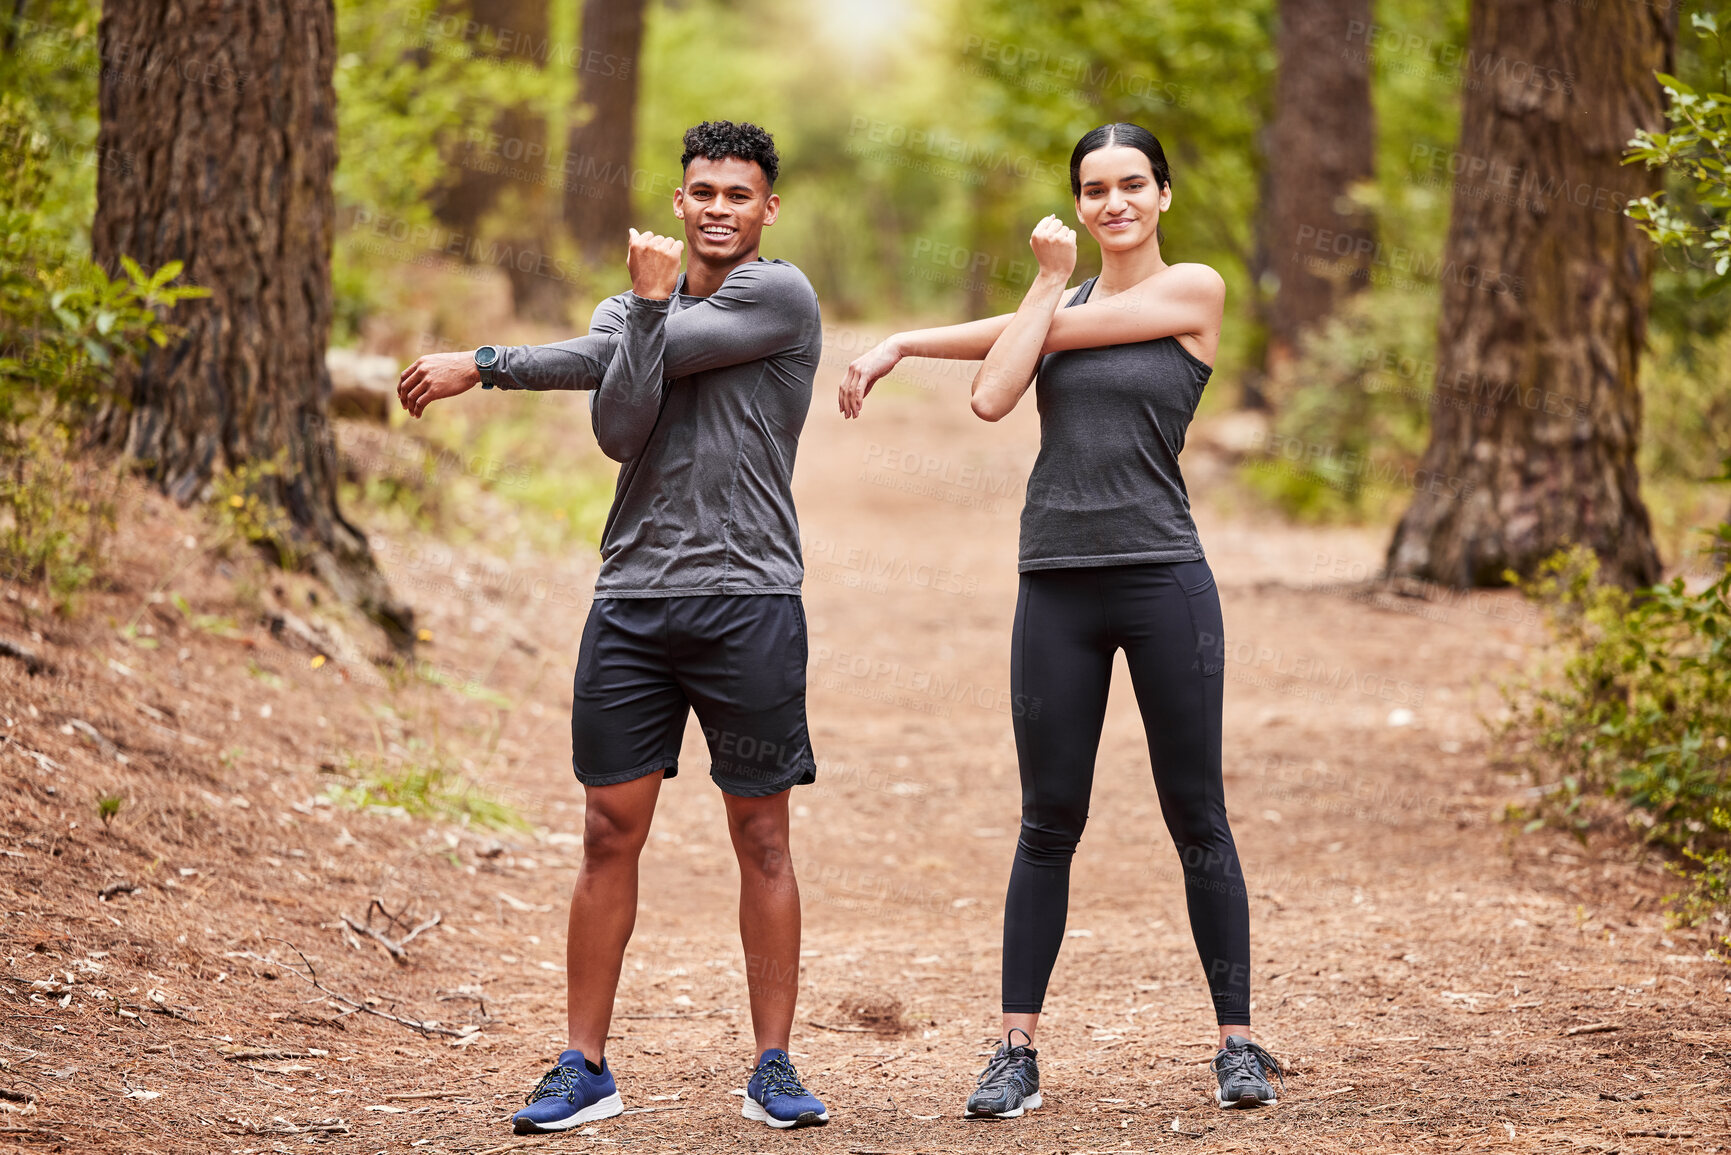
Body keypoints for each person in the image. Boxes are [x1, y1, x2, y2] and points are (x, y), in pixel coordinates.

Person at [839, 123, 1282, 1114]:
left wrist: (1036, 291)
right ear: (1077, 203)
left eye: (1132, 184)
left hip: (1163, 576)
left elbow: (1011, 363)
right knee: (1048, 821)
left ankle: (1238, 1044)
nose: (1113, 201)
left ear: (1163, 194)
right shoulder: (1059, 302)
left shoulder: (1193, 291)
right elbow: (1001, 383)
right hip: (1057, 582)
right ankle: (1016, 1051)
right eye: (1094, 188)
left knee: (1196, 814)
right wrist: (906, 340)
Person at [397, 120, 831, 1133]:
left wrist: (490, 362)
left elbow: (651, 351)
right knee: (606, 832)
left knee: (761, 832)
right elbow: (618, 427)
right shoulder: (626, 308)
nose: (718, 208)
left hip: (750, 600)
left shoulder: (780, 297)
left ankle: (772, 1065)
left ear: (768, 209)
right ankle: (583, 1064)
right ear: (677, 204)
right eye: (702, 193)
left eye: (738, 194)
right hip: (633, 601)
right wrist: (634, 311)